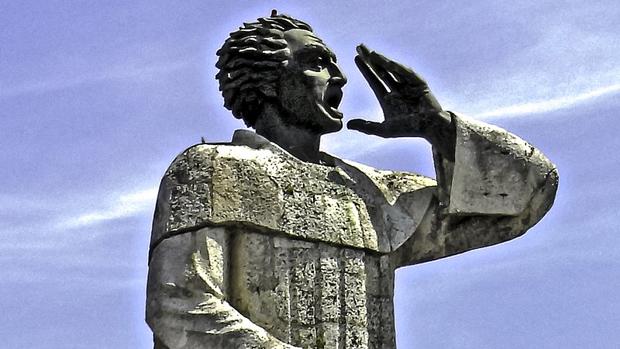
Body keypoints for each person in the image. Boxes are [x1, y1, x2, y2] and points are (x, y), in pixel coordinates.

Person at [146, 13, 558, 349]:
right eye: (316, 62)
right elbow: (180, 303)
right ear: (267, 80)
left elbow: (527, 196)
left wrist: (438, 127)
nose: (339, 77)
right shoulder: (212, 168)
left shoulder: (373, 194)